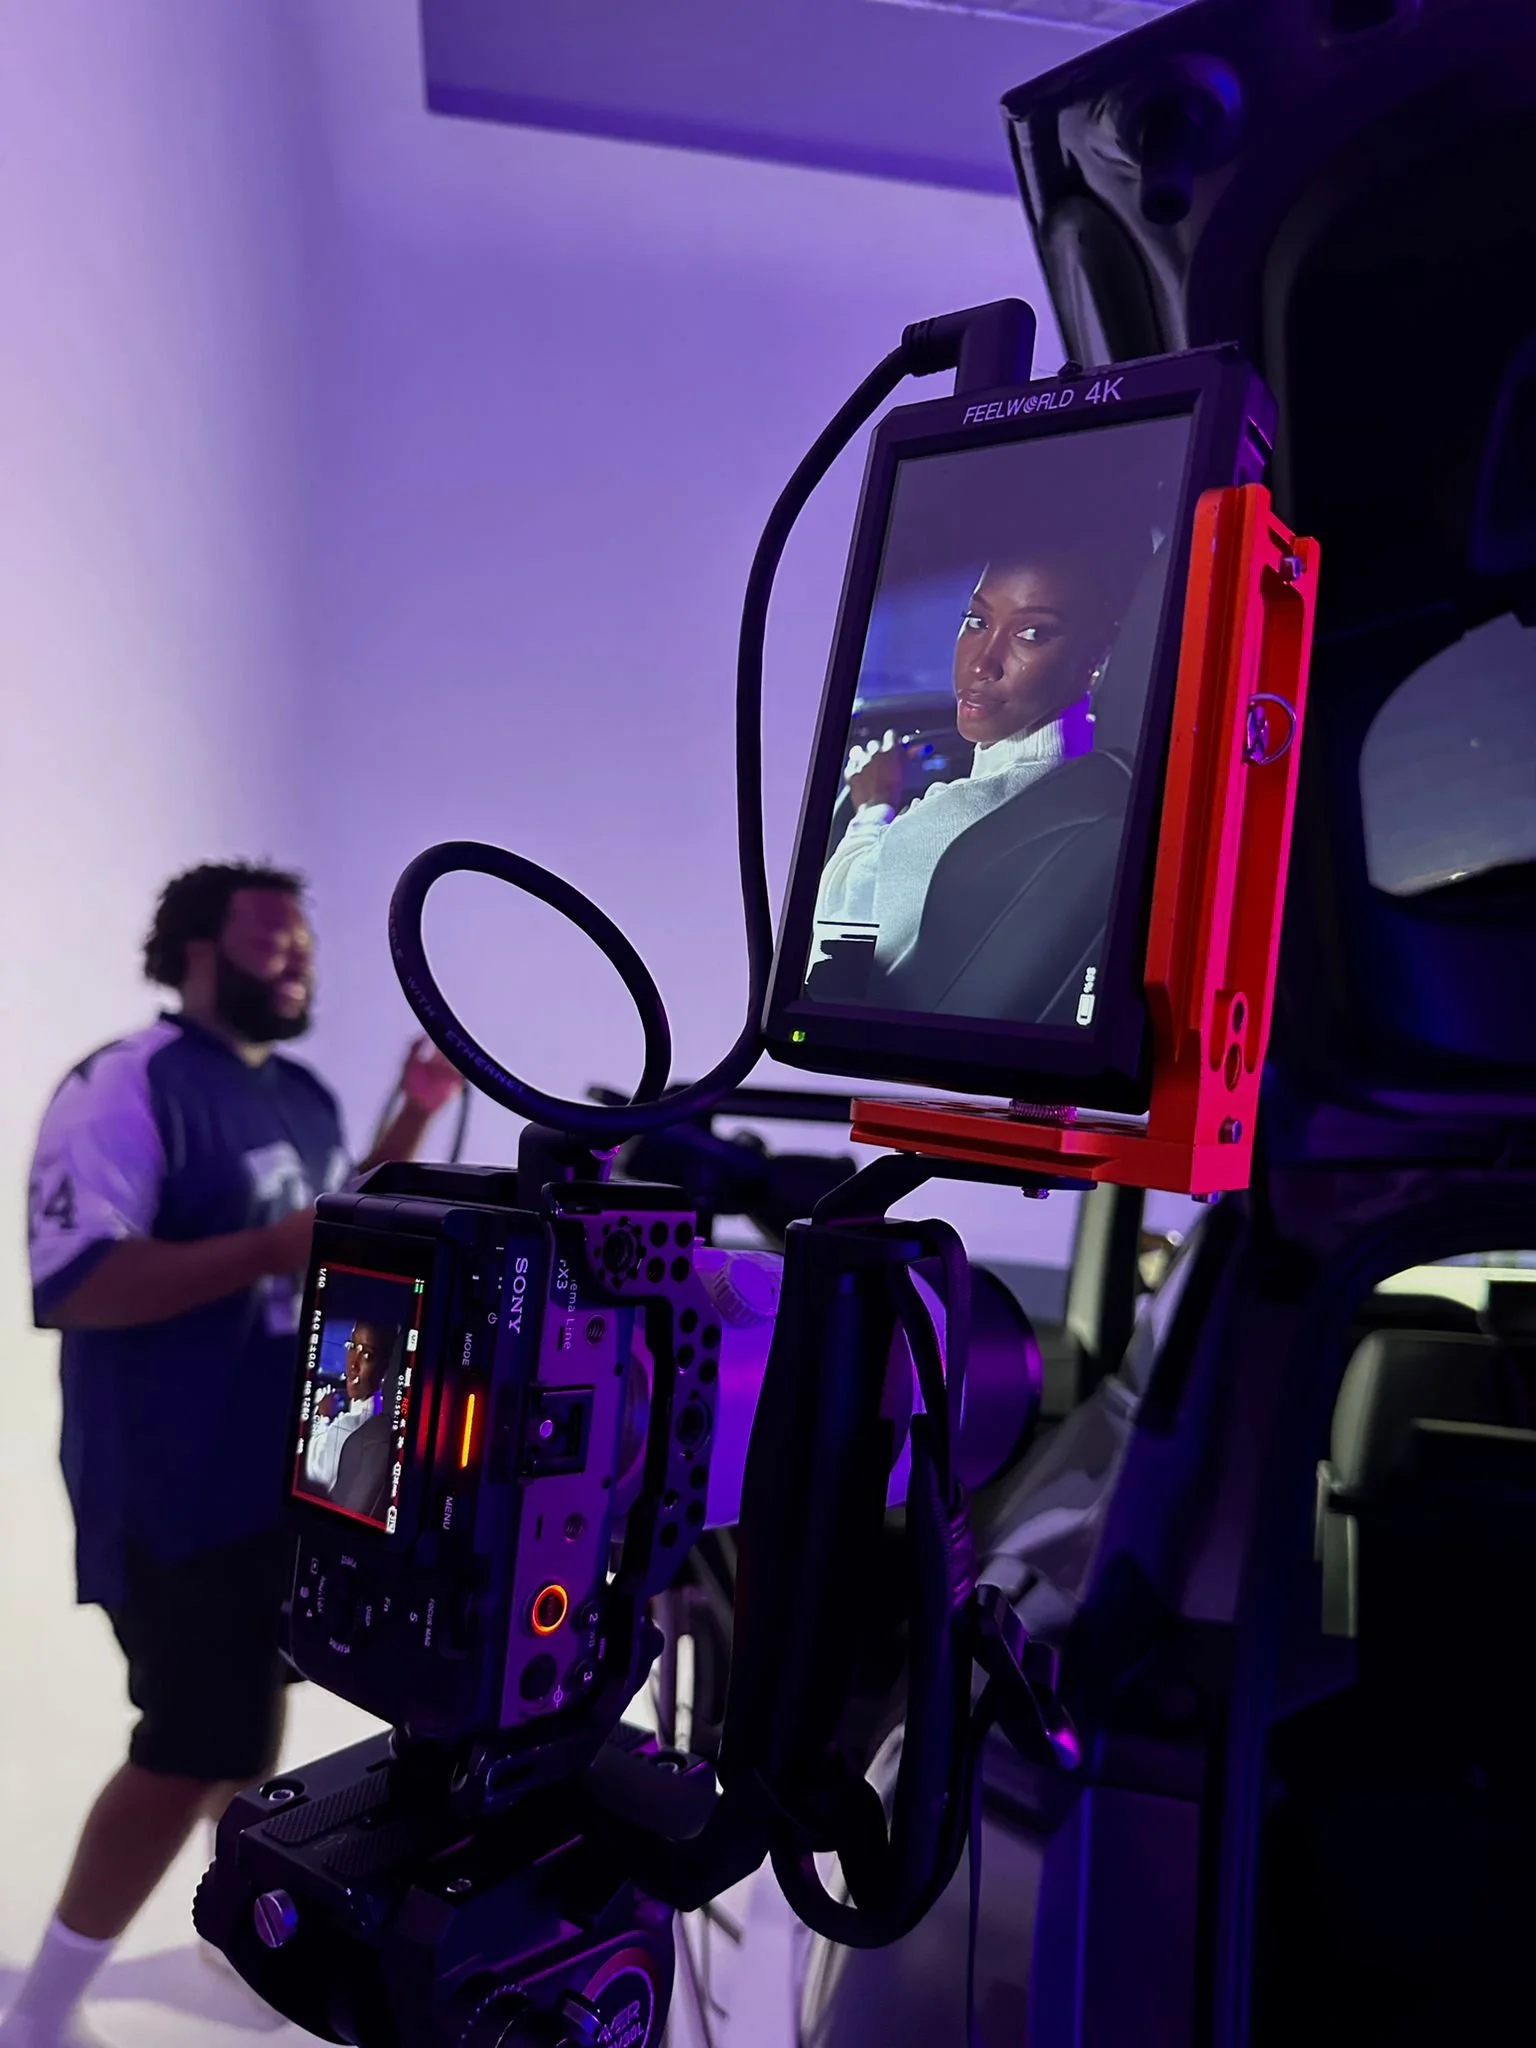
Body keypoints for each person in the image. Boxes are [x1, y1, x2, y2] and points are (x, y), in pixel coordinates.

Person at [3, 862, 464, 2048]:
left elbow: (329, 1224)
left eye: (306, 942)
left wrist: (414, 1116)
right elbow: (78, 1280)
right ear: (198, 950)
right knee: (191, 1745)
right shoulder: (126, 1082)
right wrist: (268, 1248)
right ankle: (41, 2007)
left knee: (248, 1728)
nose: (299, 960)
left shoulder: (300, 1091)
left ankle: (224, 1936)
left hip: (291, 1474)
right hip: (169, 1483)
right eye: (273, 940)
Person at [815, 543, 1143, 982]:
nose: (981, 664)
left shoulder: (954, 823)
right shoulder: (1090, 775)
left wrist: (873, 809)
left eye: (1031, 633)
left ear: (1096, 658)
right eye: (977, 621)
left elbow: (833, 939)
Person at [302, 1317, 399, 1497]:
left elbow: (309, 1471)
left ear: (385, 1370)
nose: (353, 1364)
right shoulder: (376, 1414)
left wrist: (321, 1418)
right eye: (353, 1346)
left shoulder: (351, 1428)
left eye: (367, 1354)